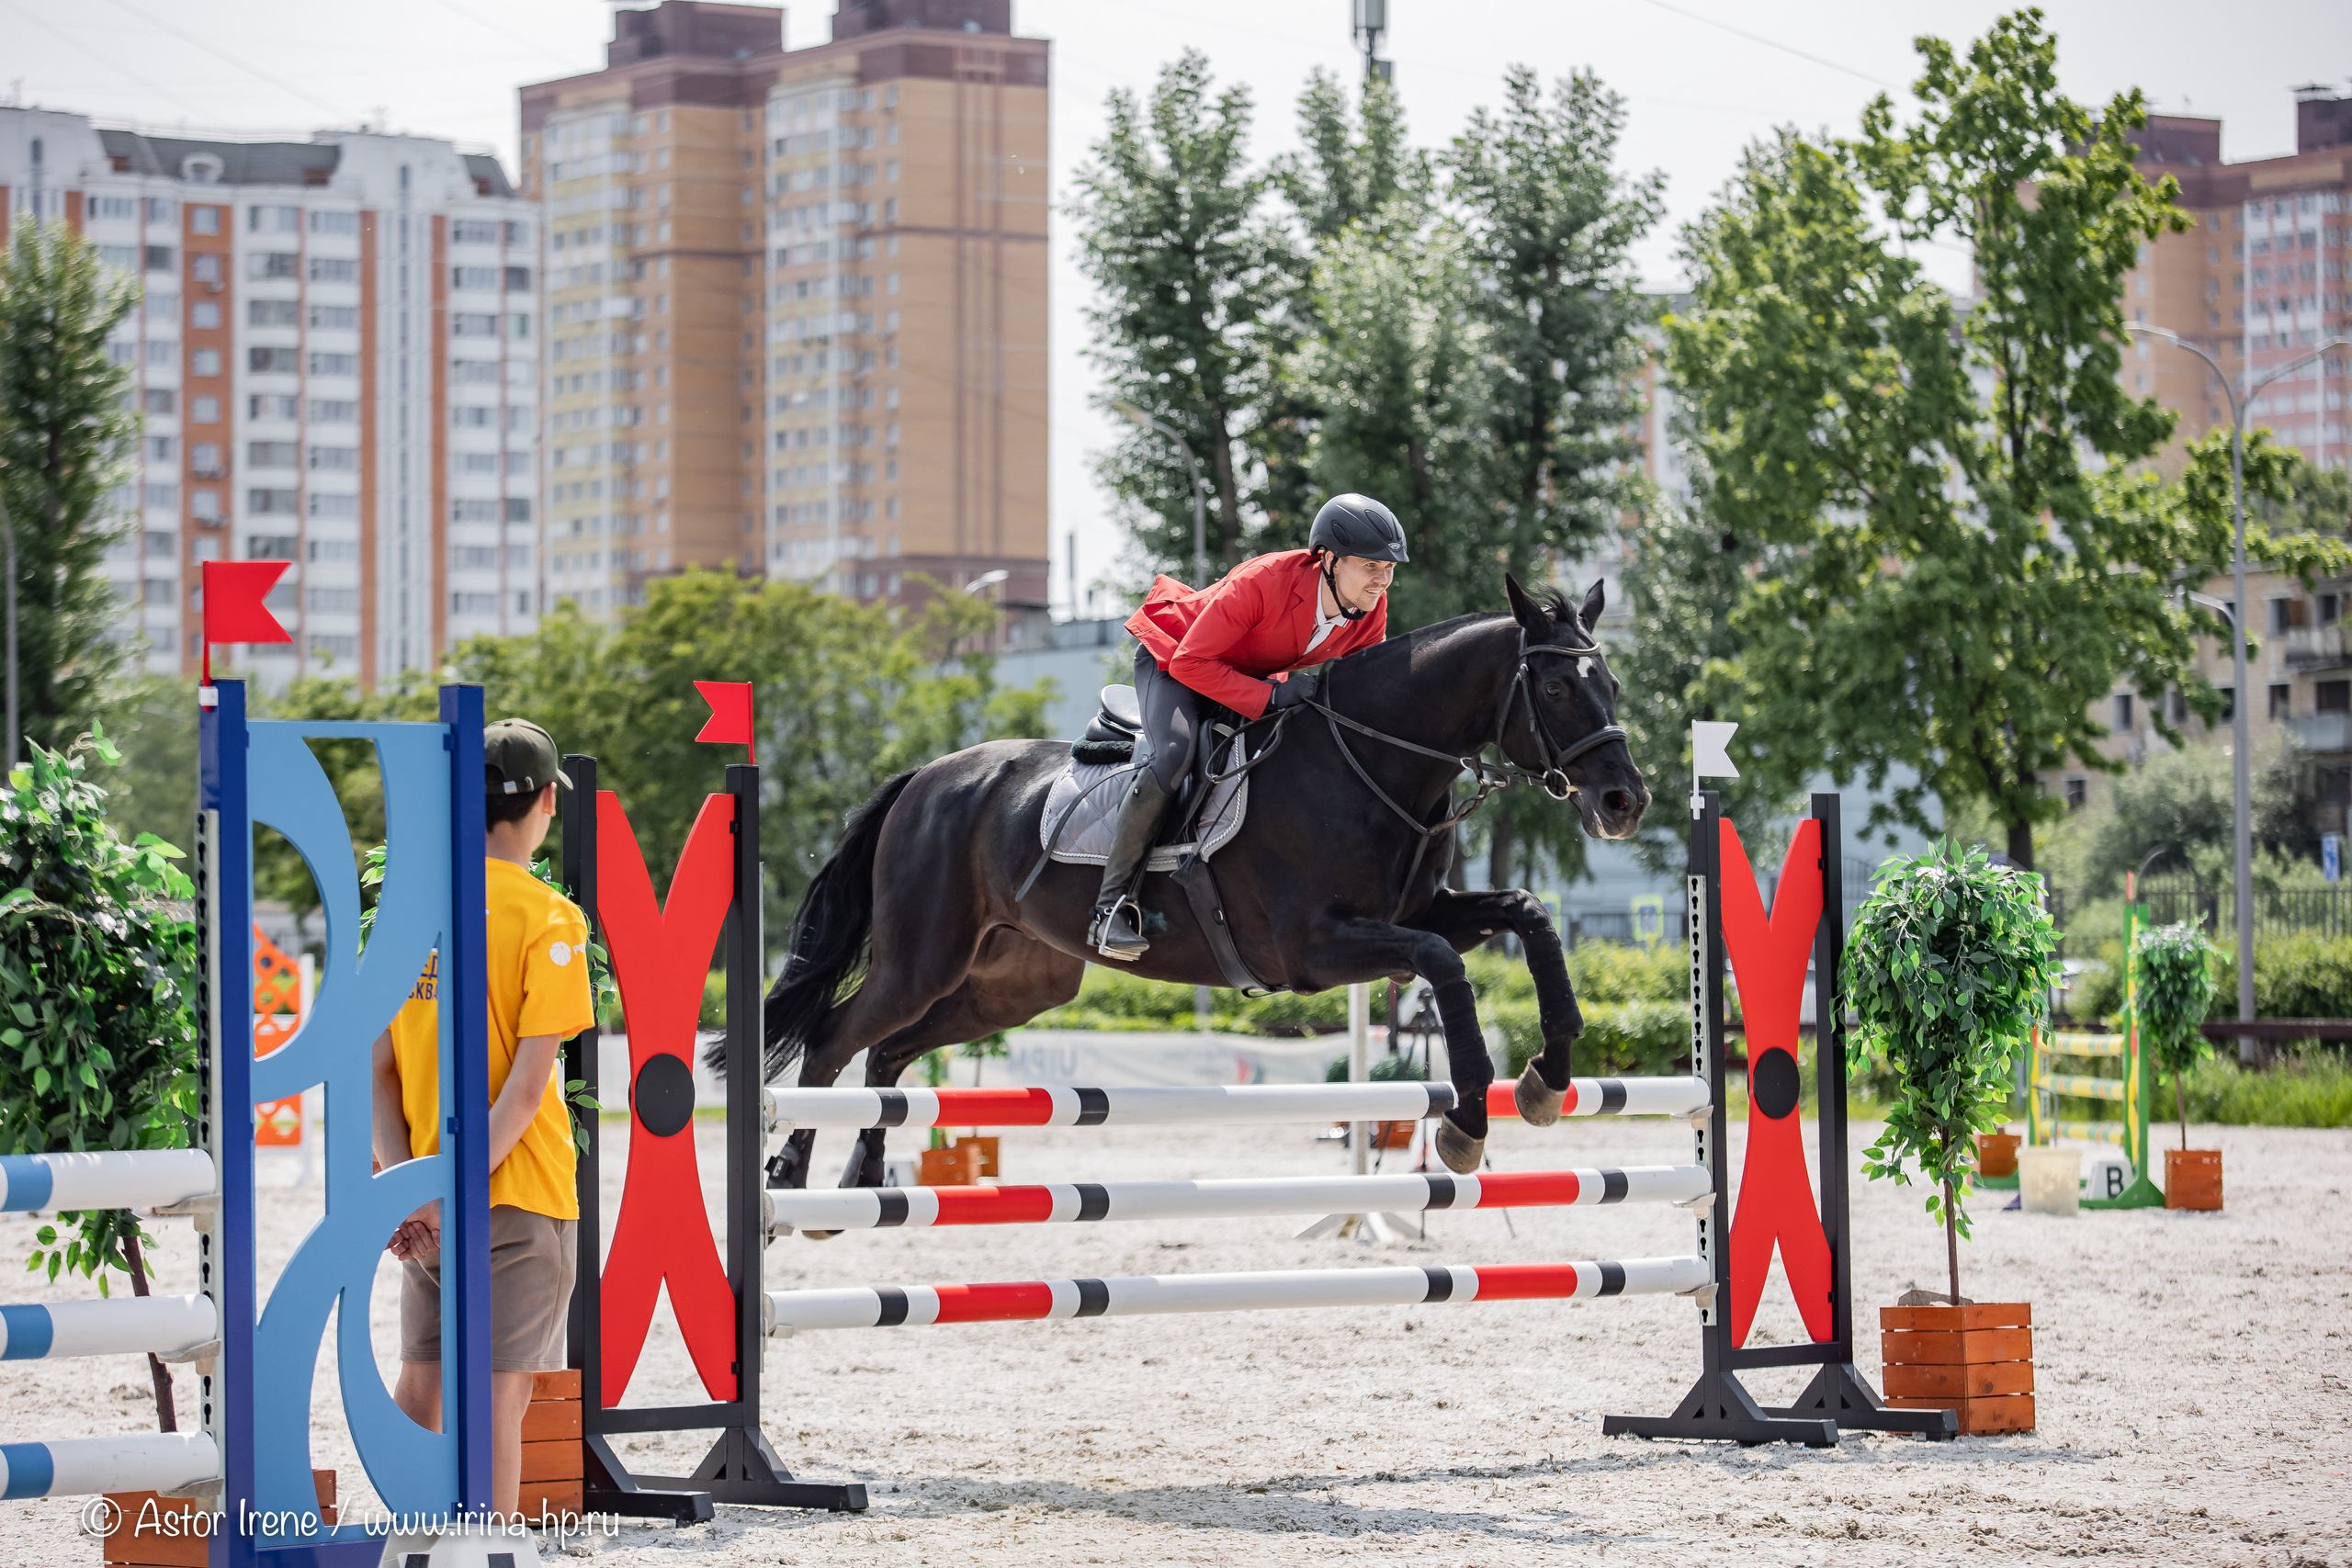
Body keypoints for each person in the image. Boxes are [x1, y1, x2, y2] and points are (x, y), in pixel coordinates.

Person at [370, 718, 596, 1521]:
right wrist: (454, 1192)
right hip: (516, 1198)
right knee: (497, 1404)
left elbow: (380, 1069)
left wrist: (411, 1187)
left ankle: (409, 1539)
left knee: (423, 1383)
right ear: (543, 803)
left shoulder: (409, 912)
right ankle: (484, 1552)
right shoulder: (551, 919)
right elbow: (529, 1088)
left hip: (423, 1204)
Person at [1087, 492, 1408, 959]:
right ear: (1331, 560)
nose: (1382, 580)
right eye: (1371, 566)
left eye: (1390, 569)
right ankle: (1110, 906)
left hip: (1243, 675)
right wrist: (1274, 696)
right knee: (1174, 753)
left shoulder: (1369, 609)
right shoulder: (1265, 581)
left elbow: (1363, 695)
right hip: (1175, 660)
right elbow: (1191, 662)